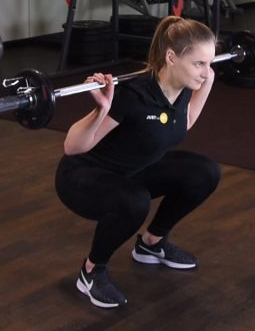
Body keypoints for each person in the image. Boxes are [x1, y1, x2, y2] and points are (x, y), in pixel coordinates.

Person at [55, 16, 222, 308]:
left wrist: (207, 83)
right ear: (171, 57)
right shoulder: (133, 95)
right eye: (199, 63)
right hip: (84, 176)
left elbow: (183, 123)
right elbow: (72, 147)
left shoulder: (184, 87)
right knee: (135, 201)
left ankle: (151, 244)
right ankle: (91, 272)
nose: (206, 72)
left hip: (132, 171)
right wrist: (101, 108)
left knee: (204, 172)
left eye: (209, 63)